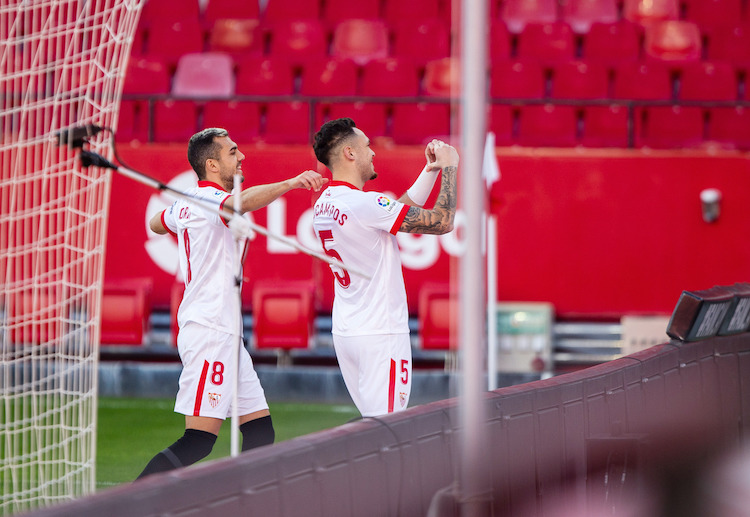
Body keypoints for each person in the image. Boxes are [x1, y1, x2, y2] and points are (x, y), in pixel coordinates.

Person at [137, 128, 327, 479]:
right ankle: (128, 506)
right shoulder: (208, 199)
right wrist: (292, 183)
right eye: (233, 152)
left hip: (226, 333)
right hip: (210, 330)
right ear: (212, 164)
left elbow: (155, 222)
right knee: (198, 440)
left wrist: (179, 214)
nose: (242, 157)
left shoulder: (192, 201)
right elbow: (242, 203)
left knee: (259, 432)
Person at [311, 118, 458, 417]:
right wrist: (450, 168)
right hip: (380, 334)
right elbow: (443, 222)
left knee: (374, 426)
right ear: (350, 153)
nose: (373, 153)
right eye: (366, 146)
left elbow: (390, 216)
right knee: (388, 431)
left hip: (349, 331)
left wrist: (429, 172)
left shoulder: (325, 202)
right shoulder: (364, 203)